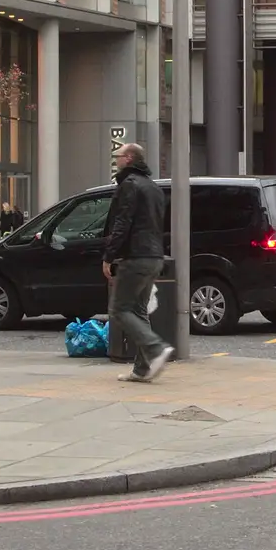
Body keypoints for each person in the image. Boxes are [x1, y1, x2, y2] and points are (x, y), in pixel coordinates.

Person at [102, 142, 173, 382]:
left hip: (136, 257)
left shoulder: (129, 185)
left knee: (119, 309)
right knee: (139, 310)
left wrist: (109, 256)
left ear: (129, 158)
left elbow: (122, 223)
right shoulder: (153, 187)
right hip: (154, 256)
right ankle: (142, 369)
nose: (116, 160)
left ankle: (155, 349)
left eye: (119, 156)